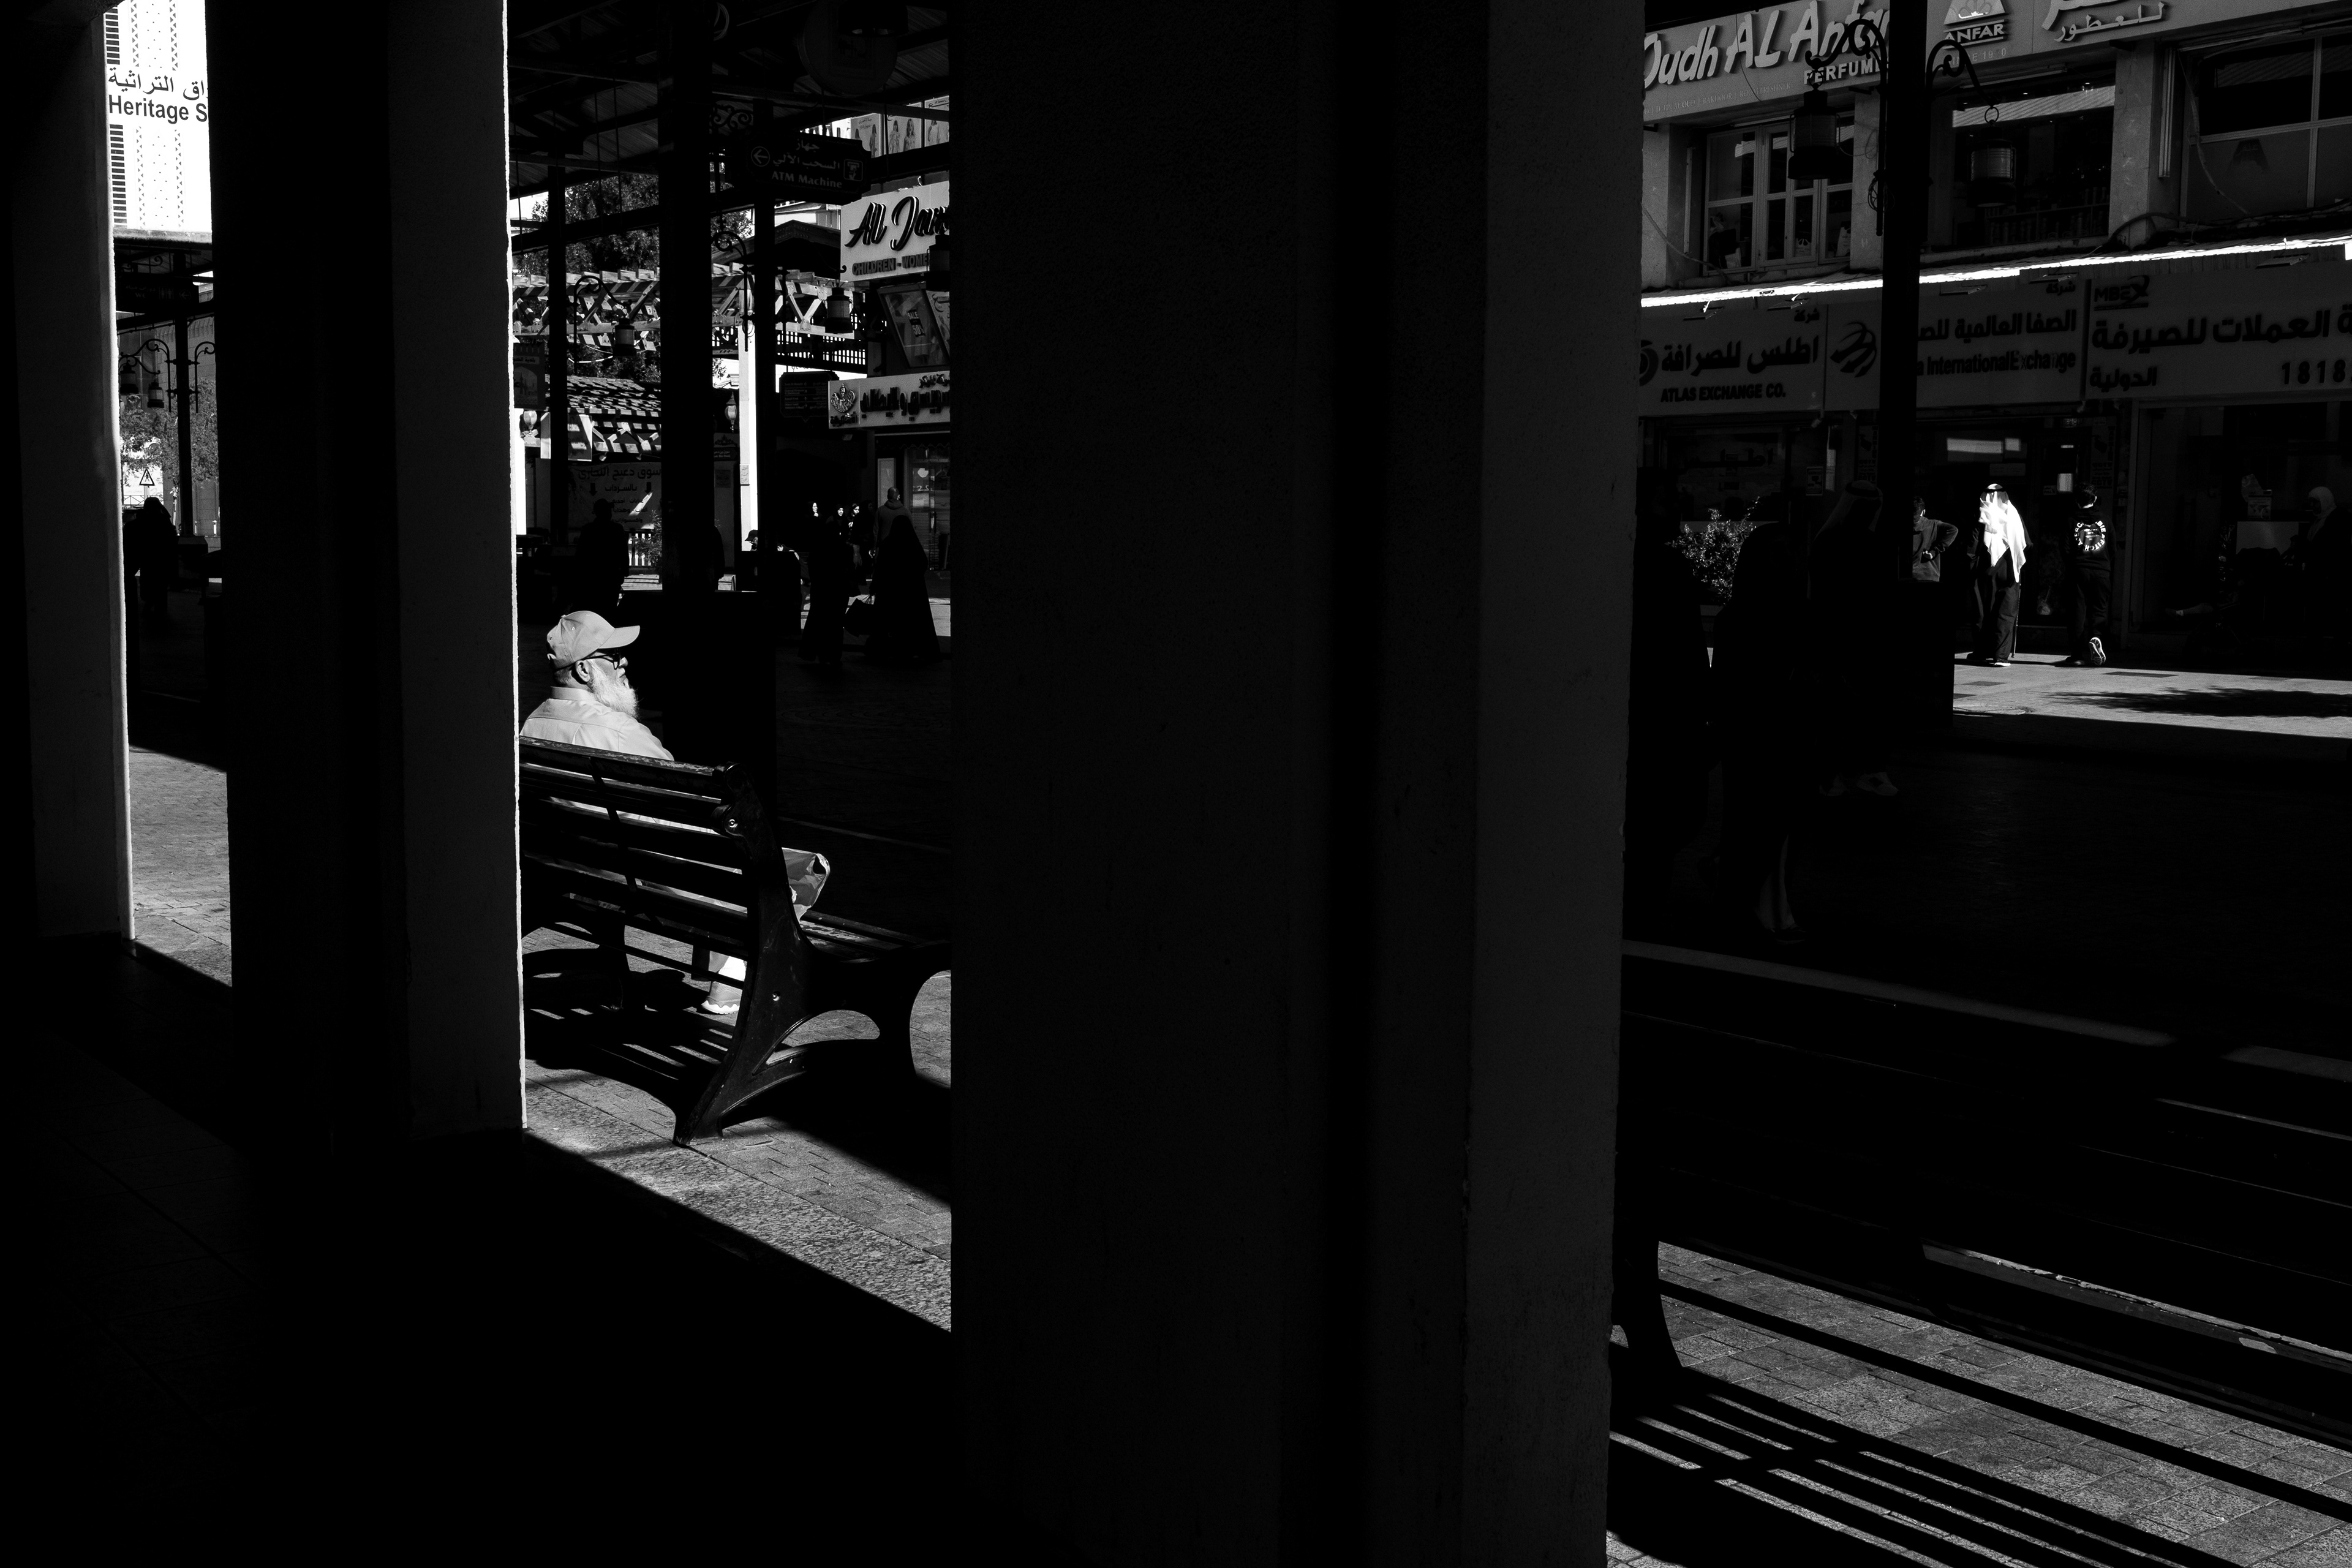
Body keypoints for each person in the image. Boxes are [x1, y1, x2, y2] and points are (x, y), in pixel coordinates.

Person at [1711, 512, 1812, 944]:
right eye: (1778, 553)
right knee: (1762, 825)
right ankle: (1765, 911)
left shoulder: (1779, 611)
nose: (1787, 560)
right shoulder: (1746, 615)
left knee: (1773, 826)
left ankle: (1757, 903)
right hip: (1760, 735)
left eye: (1791, 552)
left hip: (1779, 734)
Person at [1625, 471, 1713, 934]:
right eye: (1666, 502)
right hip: (1663, 723)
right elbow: (1686, 654)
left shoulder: (1646, 563)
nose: (1677, 510)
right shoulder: (1664, 566)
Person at [519, 611, 671, 759]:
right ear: (583, 670)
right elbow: (670, 772)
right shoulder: (621, 731)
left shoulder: (531, 724)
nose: (624, 661)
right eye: (614, 655)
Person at [863, 505, 942, 664]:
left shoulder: (888, 544)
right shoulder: (913, 544)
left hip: (891, 592)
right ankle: (911, 650)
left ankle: (889, 650)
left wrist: (875, 585)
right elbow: (923, 563)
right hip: (912, 593)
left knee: (890, 623)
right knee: (911, 623)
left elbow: (881, 567)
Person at [1965, 484, 2029, 667]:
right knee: (2006, 612)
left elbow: (1972, 546)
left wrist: (1971, 570)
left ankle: (1982, 652)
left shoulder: (1981, 516)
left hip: (1985, 572)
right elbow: (2026, 543)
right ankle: (2001, 656)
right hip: (2010, 571)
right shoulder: (2014, 515)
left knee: (1983, 612)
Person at [2056, 488, 2116, 668]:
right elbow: (2113, 548)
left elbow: (2065, 549)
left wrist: (2074, 565)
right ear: (2095, 499)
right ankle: (2096, 637)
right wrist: (2104, 563)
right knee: (2100, 608)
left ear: (2077, 501)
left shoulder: (2071, 521)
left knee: (2077, 612)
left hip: (2078, 571)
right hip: (2101, 571)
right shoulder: (2105, 520)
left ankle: (2077, 655)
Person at [798, 508, 854, 670]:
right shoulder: (843, 548)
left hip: (822, 590)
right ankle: (834, 655)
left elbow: (813, 568)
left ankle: (822, 654)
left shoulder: (819, 549)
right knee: (836, 625)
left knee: (821, 622)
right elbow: (849, 569)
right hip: (838, 591)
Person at [573, 499, 628, 619]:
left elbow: (580, 555)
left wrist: (579, 575)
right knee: (609, 609)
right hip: (611, 576)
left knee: (594, 609)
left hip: (593, 577)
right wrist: (624, 572)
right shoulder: (617, 529)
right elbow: (623, 552)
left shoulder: (588, 529)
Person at [130, 496, 179, 628]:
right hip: (161, 559)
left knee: (148, 581)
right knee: (161, 583)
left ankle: (149, 602)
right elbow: (171, 539)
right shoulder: (164, 520)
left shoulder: (143, 521)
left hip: (147, 558)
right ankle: (160, 607)